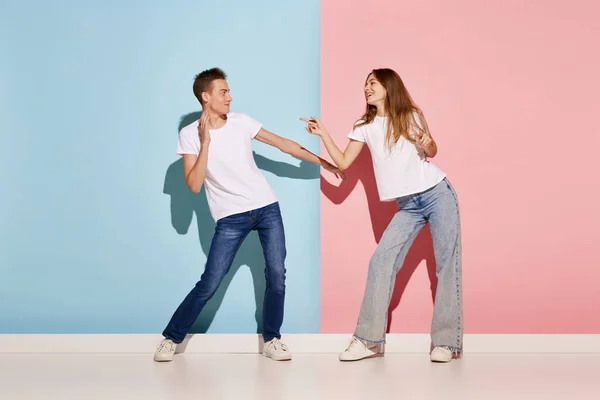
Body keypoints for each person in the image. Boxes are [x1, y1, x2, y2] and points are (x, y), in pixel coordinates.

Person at [154, 67, 343, 362]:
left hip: (266, 208)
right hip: (230, 217)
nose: (230, 97)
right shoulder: (189, 135)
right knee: (210, 282)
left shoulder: (241, 122)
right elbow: (193, 184)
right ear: (206, 97)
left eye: (229, 91)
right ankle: (171, 338)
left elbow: (284, 145)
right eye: (223, 92)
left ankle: (272, 339)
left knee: (277, 275)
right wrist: (205, 142)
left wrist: (326, 164)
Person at [301, 68, 463, 363]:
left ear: (389, 87)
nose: (367, 88)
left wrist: (426, 141)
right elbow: (343, 162)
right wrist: (323, 132)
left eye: (372, 83)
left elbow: (432, 150)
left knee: (445, 265)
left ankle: (445, 343)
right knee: (381, 262)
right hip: (408, 206)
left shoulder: (411, 115)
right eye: (365, 84)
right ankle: (368, 340)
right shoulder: (364, 125)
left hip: (438, 193)